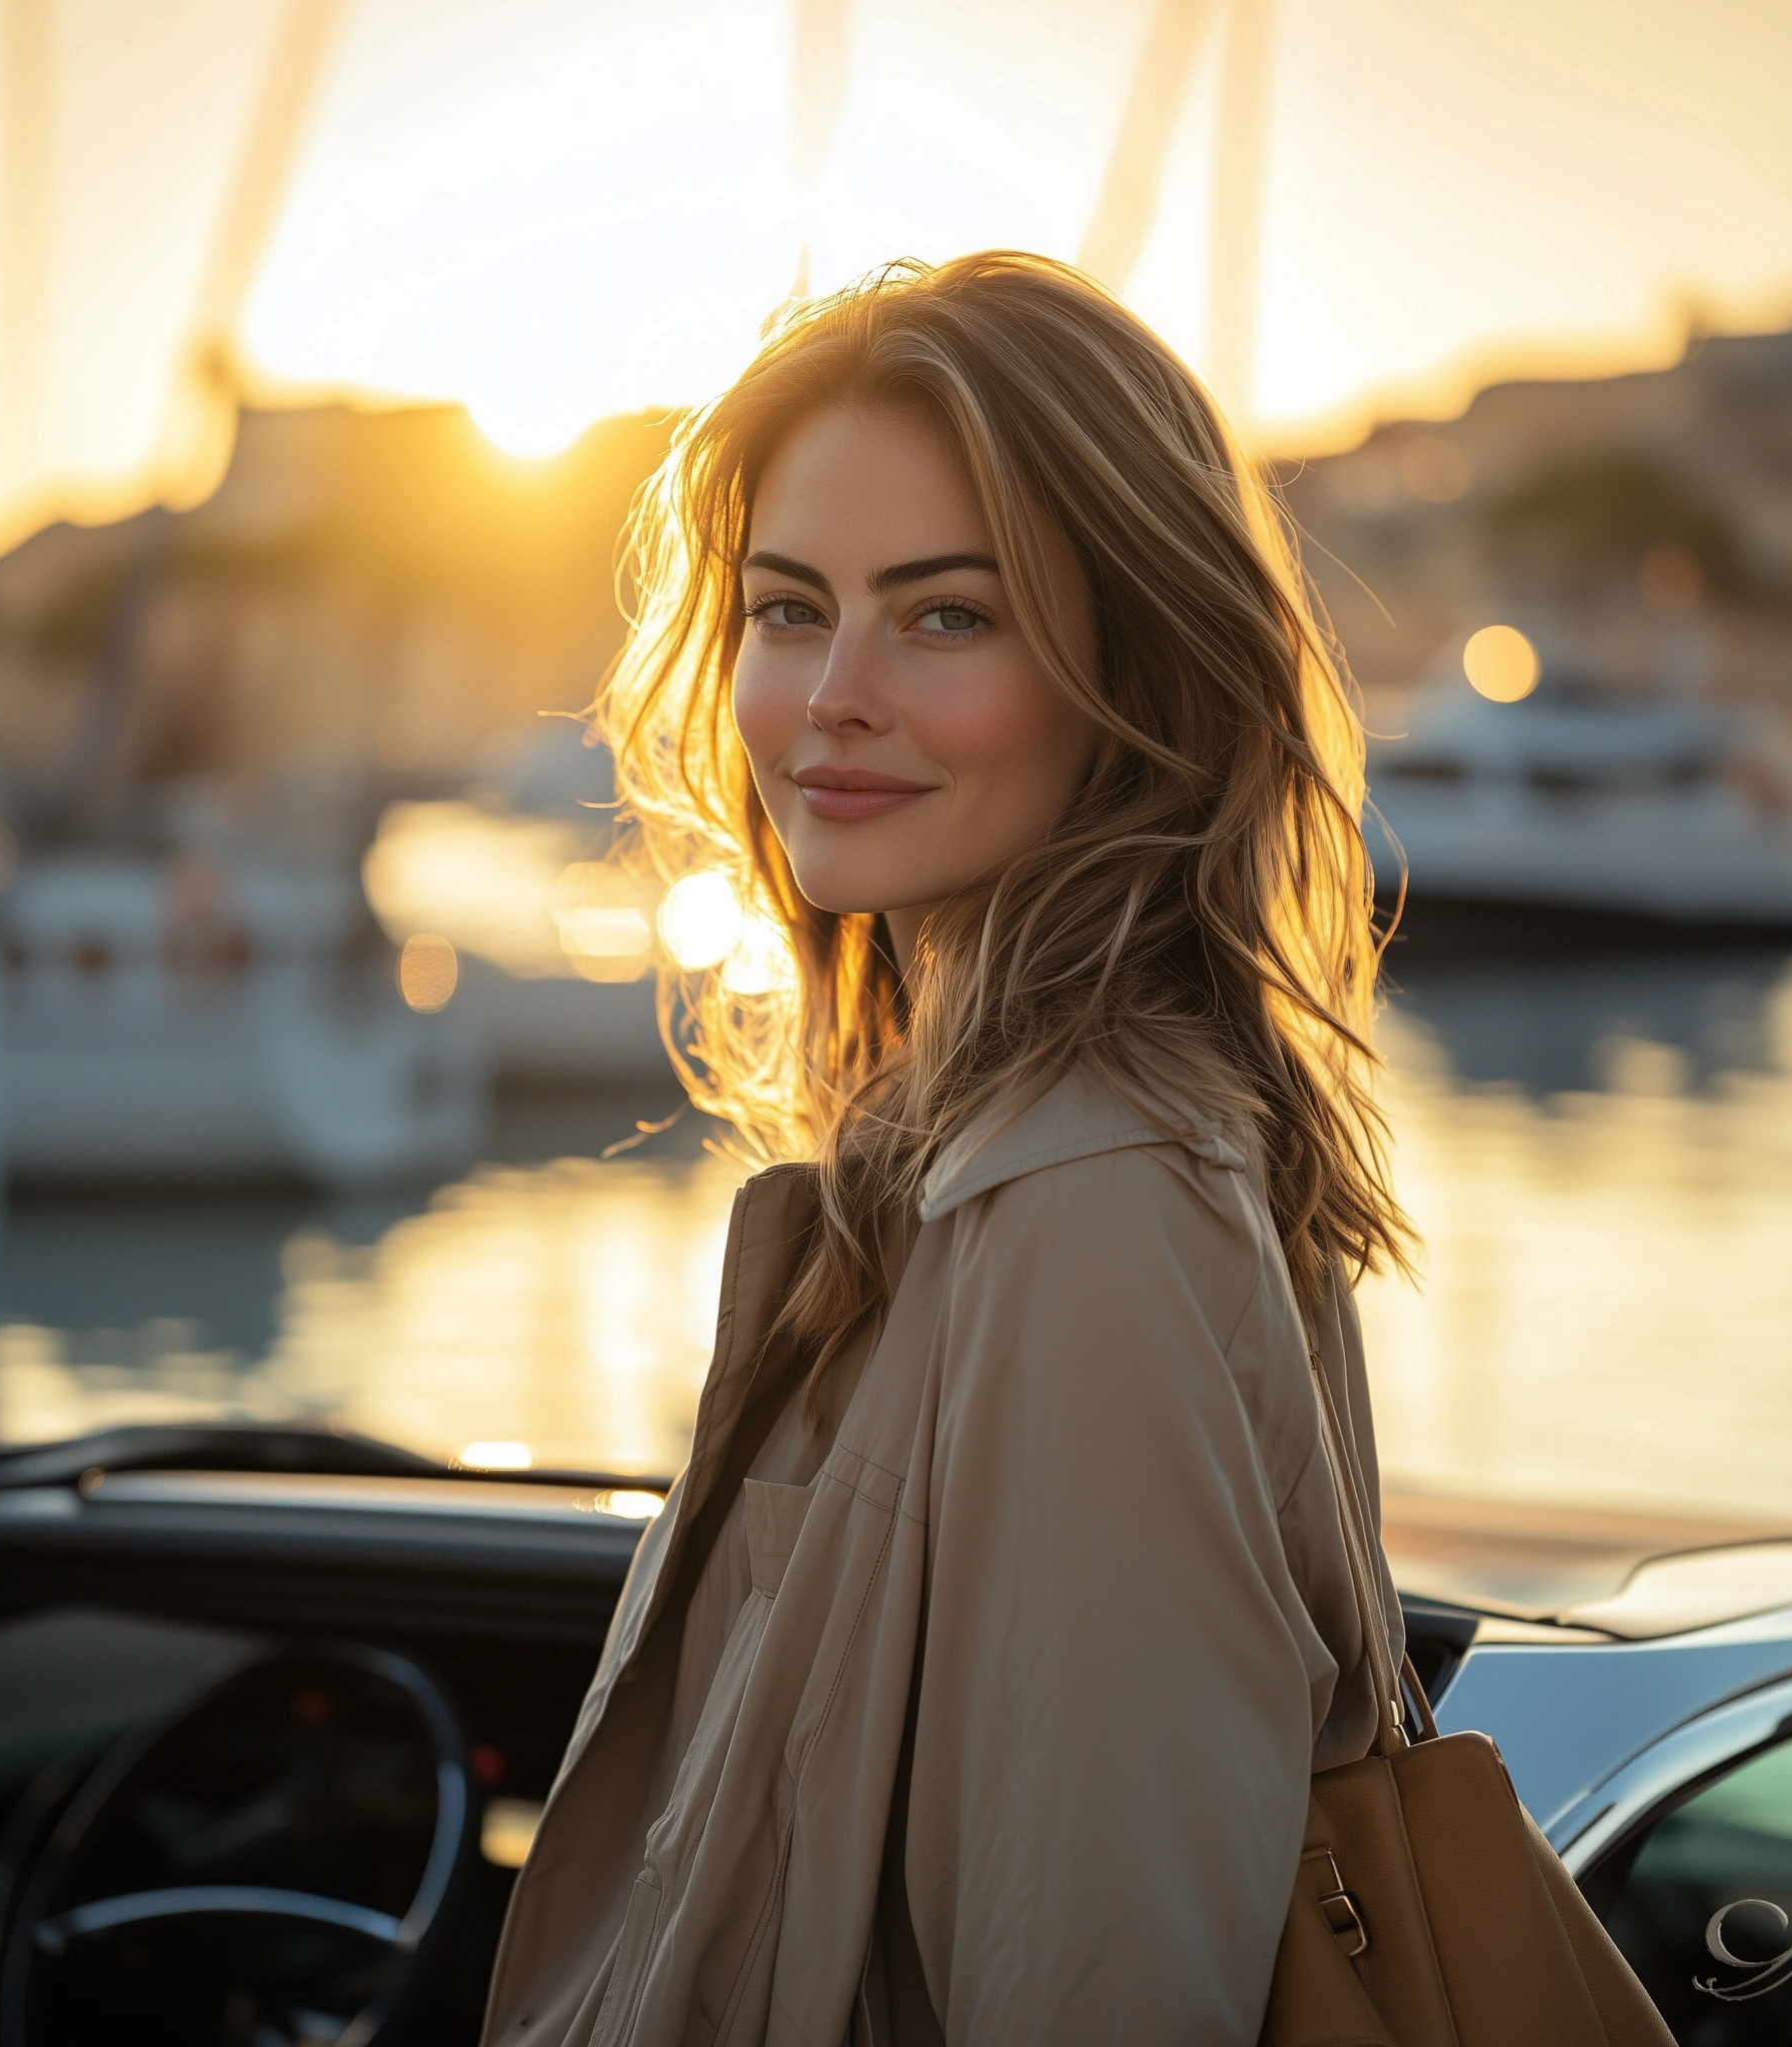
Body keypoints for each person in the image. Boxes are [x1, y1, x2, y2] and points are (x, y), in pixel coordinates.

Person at [480, 251, 1413, 2047]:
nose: (828, 694)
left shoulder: (1086, 1214)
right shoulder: (975, 1165)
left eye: (946, 615)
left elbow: (1101, 1982)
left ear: (1132, 668)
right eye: (785, 607)